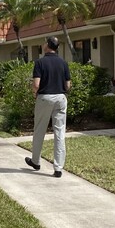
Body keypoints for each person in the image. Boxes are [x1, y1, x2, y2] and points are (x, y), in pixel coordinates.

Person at [25, 36, 71, 178]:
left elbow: (36, 84)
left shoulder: (40, 63)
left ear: (48, 46)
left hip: (45, 97)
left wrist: (35, 93)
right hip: (60, 98)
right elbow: (68, 85)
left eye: (45, 42)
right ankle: (58, 168)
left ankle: (36, 161)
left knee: (40, 130)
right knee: (59, 132)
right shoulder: (63, 63)